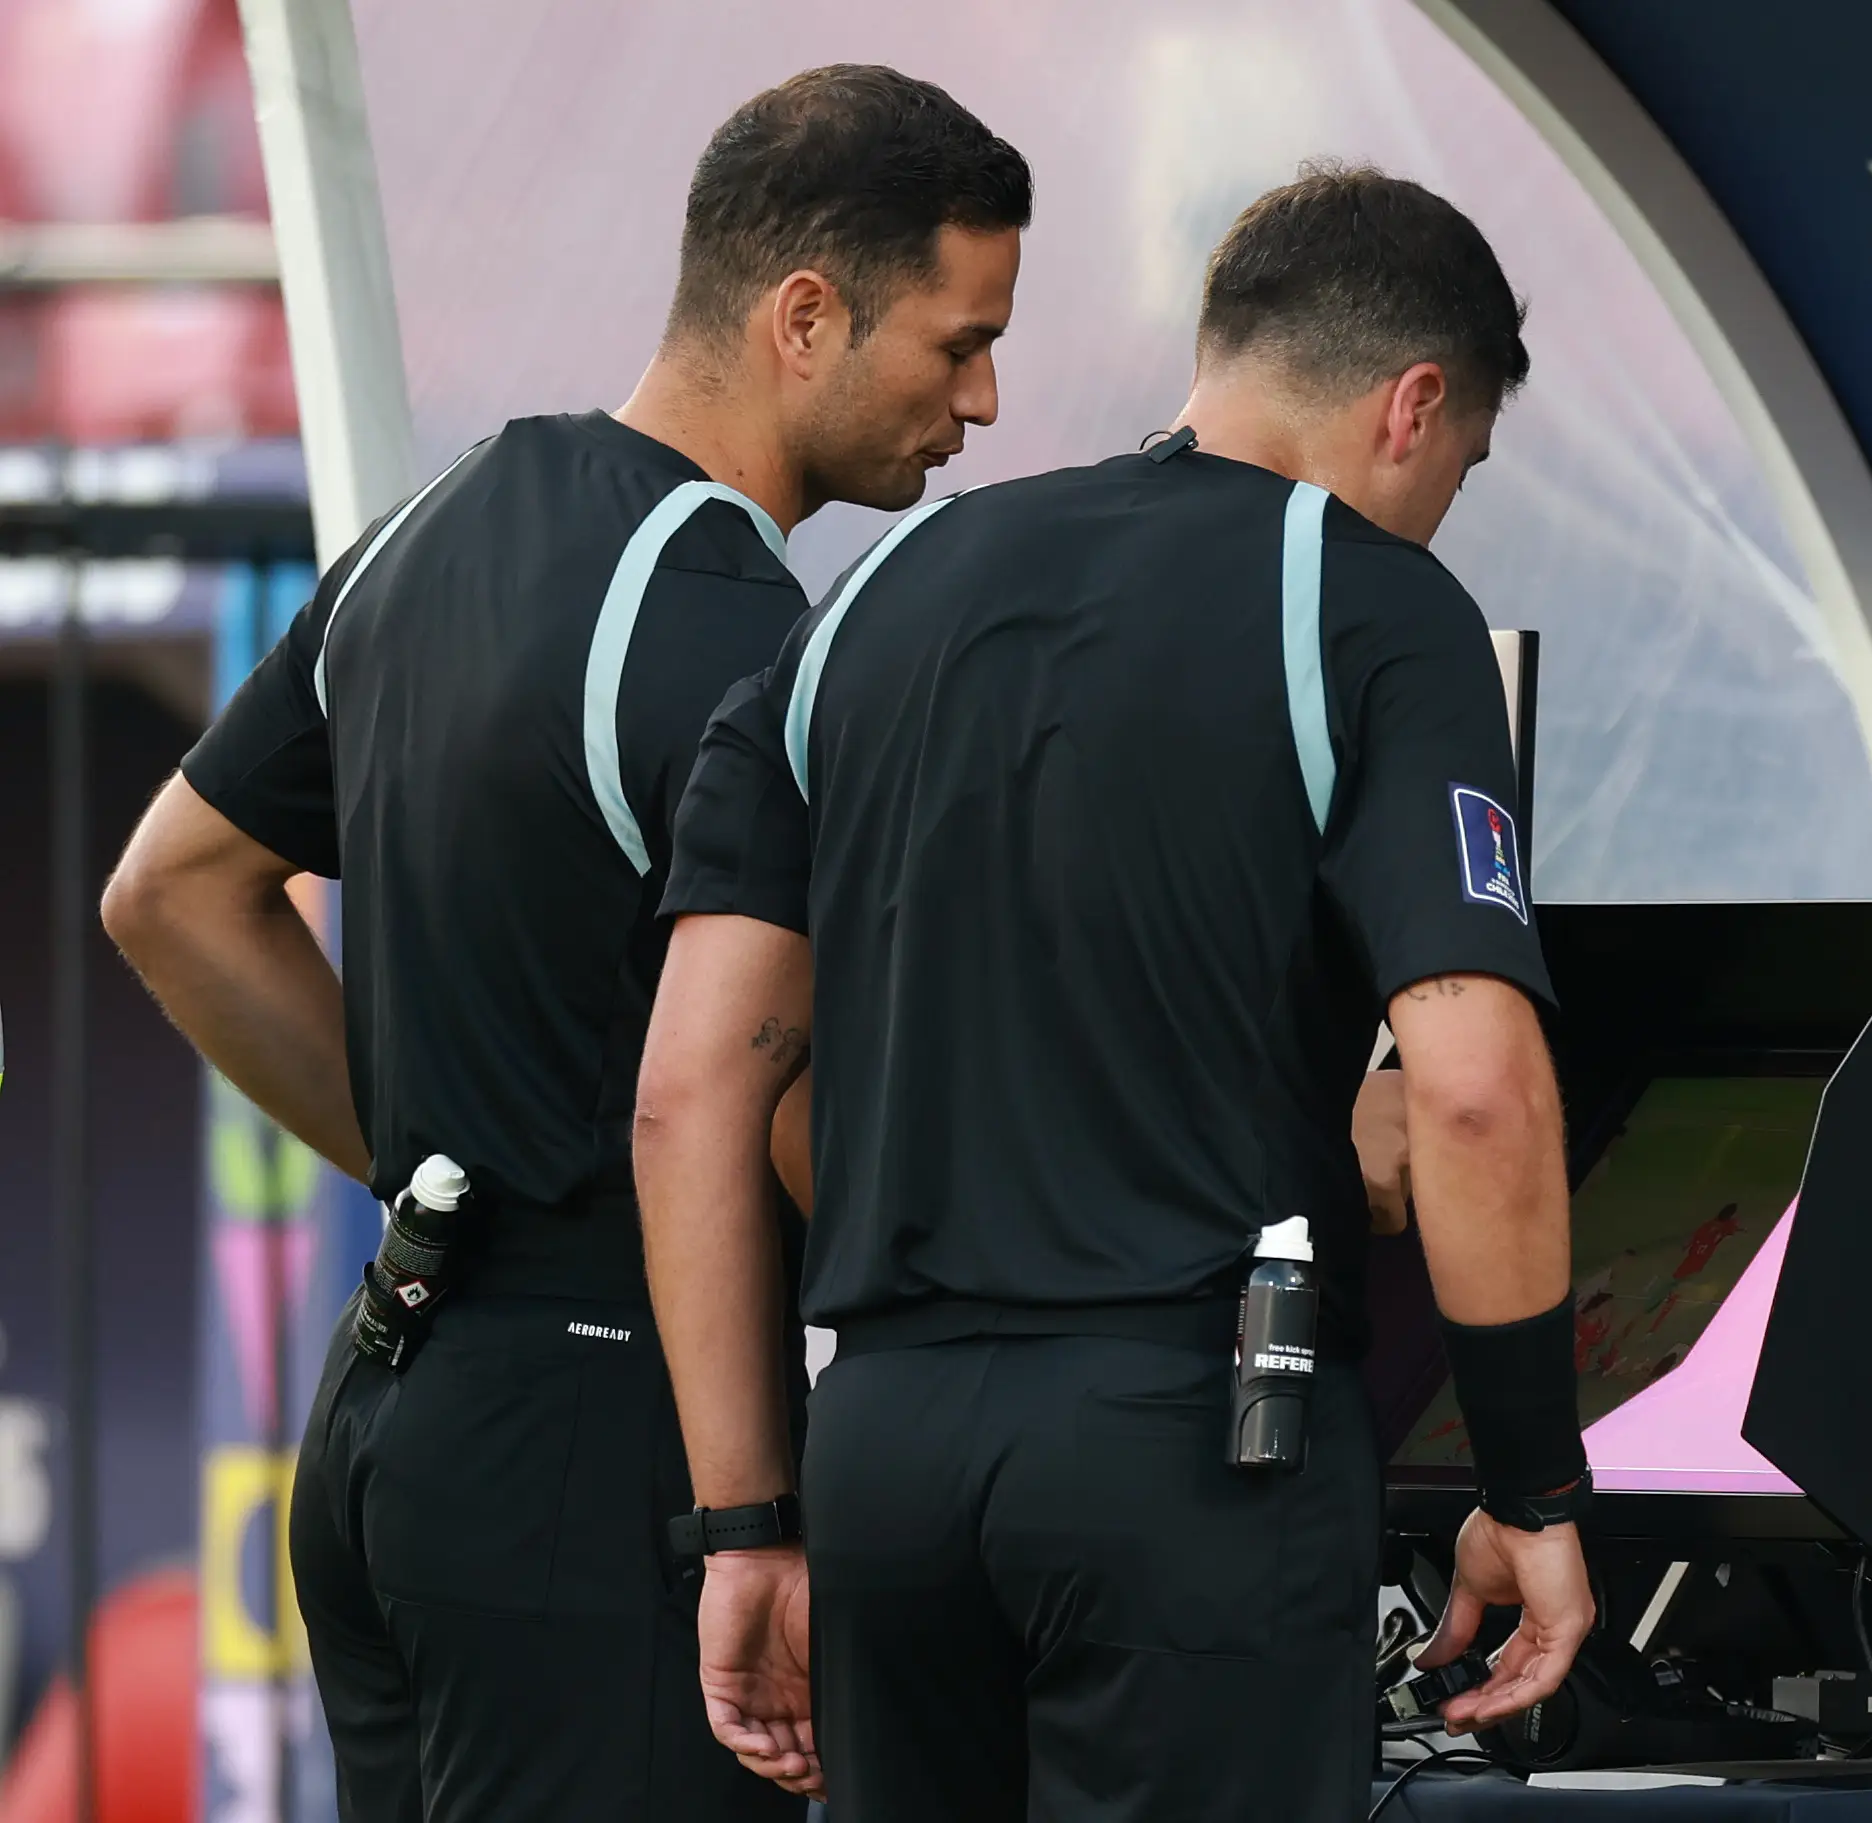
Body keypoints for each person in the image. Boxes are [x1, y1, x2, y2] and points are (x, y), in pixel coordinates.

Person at [97, 66, 1030, 1818]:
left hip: (393, 1404)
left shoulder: (427, 526)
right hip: (594, 1451)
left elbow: (172, 889)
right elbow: (806, 1123)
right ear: (804, 314)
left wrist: (447, 1172)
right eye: (954, 342)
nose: (981, 399)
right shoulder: (739, 625)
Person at [634, 162, 1596, 1819]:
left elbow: (694, 1092)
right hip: (1191, 1438)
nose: (1446, 502)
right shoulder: (1367, 605)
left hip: (886, 1445)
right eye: (1463, 461)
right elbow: (1472, 1086)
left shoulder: (871, 595)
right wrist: (1527, 1480)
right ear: (1412, 401)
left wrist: (743, 1522)